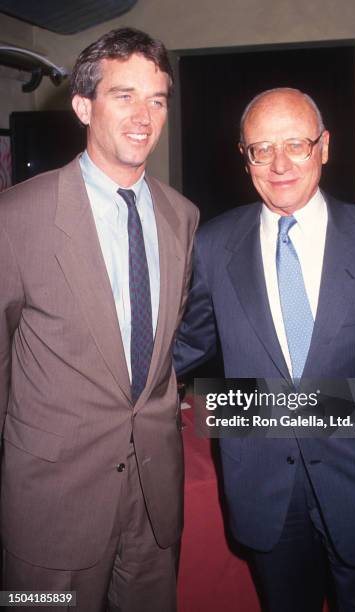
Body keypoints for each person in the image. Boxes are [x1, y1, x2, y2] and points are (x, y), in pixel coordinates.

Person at [175, 88, 355, 611]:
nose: (278, 165)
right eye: (261, 149)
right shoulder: (212, 244)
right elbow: (186, 346)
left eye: (296, 145)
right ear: (244, 157)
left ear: (324, 146)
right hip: (262, 489)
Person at [0, 28, 199, 612]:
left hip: (153, 503)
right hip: (51, 508)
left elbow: (164, 356)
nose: (145, 116)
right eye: (125, 95)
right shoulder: (17, 217)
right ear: (83, 105)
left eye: (157, 99)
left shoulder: (183, 218)